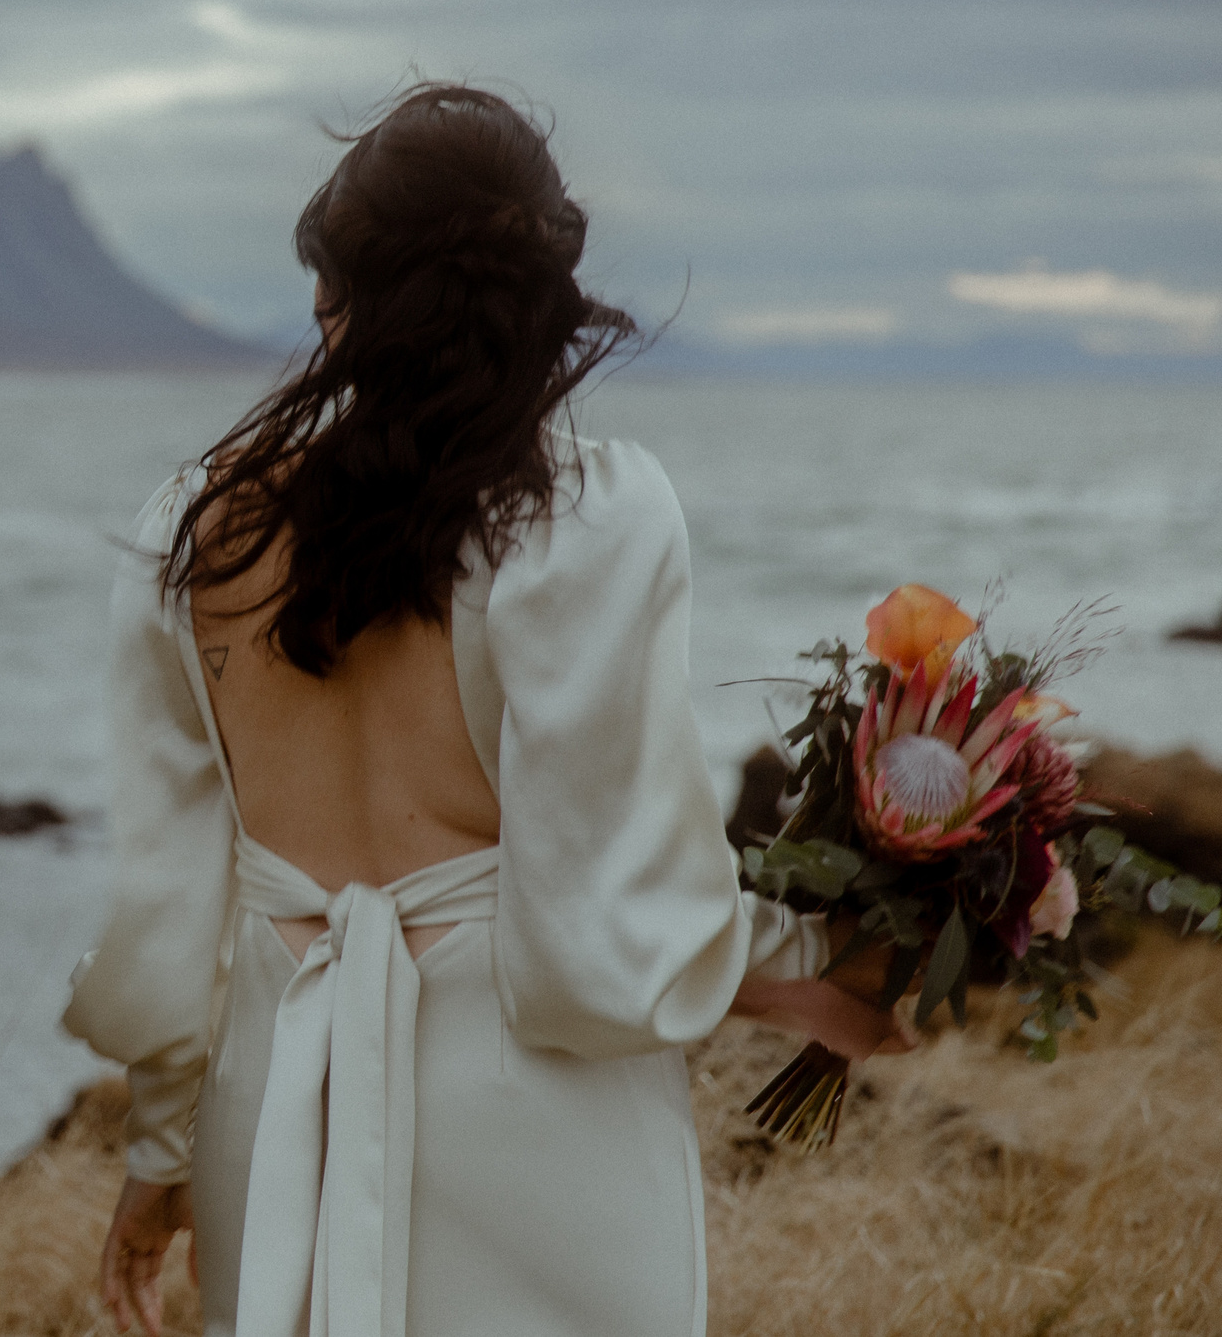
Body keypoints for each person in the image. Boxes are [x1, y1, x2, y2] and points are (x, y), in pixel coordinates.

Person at [63, 84, 912, 1336]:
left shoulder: (194, 531)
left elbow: (169, 900)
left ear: (341, 301)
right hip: (530, 1115)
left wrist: (159, 1147)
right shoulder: (584, 524)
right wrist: (834, 963)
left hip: (277, 1104)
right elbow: (604, 917)